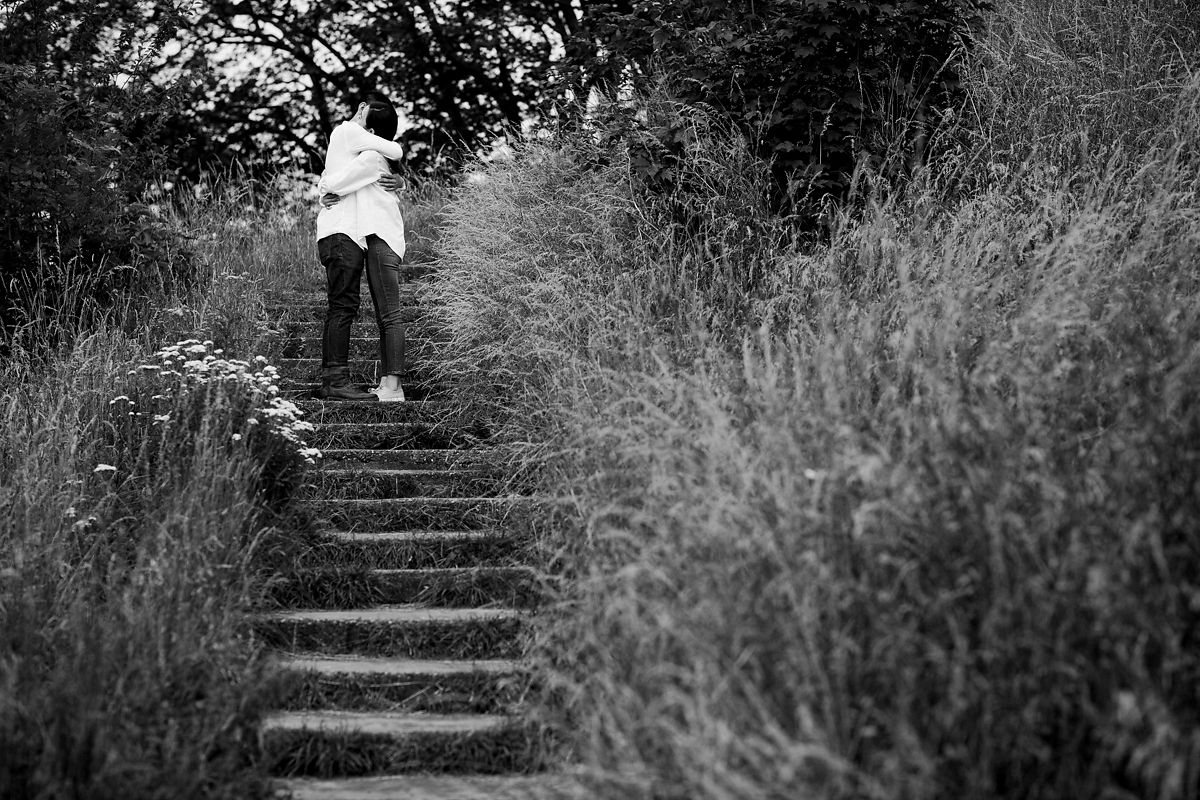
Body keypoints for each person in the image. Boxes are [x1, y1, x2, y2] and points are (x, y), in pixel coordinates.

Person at [314, 92, 408, 402]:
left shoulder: (366, 153)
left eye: (370, 129)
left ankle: (380, 384)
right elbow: (390, 152)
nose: (365, 132)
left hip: (364, 235)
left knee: (352, 307)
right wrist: (325, 187)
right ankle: (337, 380)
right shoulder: (350, 133)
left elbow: (344, 177)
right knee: (344, 306)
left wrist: (324, 186)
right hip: (346, 233)